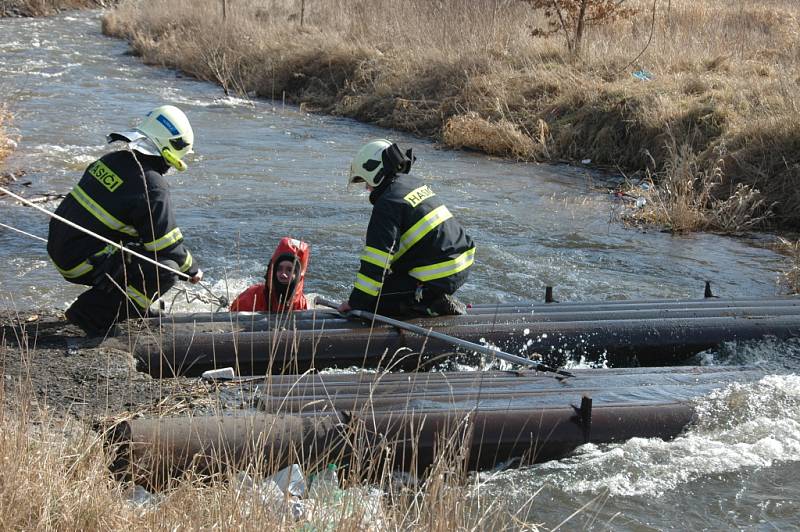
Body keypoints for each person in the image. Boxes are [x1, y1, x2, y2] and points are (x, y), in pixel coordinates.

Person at [47, 104, 202, 337]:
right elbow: (166, 244)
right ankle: (91, 314)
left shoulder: (113, 160)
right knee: (166, 269)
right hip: (80, 259)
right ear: (171, 150)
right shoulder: (152, 185)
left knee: (145, 253)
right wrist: (191, 269)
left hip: (63, 247)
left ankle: (130, 308)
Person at [338, 139, 475, 317]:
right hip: (461, 263)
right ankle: (429, 299)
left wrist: (355, 304)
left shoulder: (387, 203)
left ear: (376, 173)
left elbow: (376, 263)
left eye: (366, 181)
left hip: (439, 273)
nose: (366, 188)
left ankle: (431, 305)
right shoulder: (411, 185)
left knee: (373, 305)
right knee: (388, 287)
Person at [229, 237, 310, 312]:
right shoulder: (250, 298)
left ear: (299, 276)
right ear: (272, 271)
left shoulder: (301, 304)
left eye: (290, 270)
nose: (283, 274)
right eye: (279, 269)